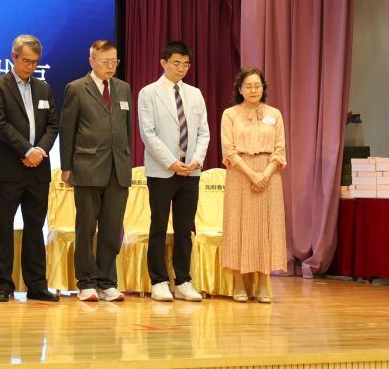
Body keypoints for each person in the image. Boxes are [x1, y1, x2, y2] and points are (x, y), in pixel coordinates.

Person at [0, 35, 60, 303]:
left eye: (35, 62)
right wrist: (27, 150)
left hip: (38, 169)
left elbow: (53, 125)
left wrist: (39, 151)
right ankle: (1, 285)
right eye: (26, 61)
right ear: (14, 57)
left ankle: (37, 285)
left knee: (35, 227)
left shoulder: (44, 88)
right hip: (10, 167)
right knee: (3, 227)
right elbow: (0, 124)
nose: (31, 66)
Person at [60, 40, 133, 302]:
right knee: (86, 228)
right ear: (92, 61)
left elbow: (127, 129)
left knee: (112, 229)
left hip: (118, 168)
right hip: (87, 167)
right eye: (105, 62)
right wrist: (66, 167)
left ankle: (107, 282)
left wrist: (126, 160)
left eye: (115, 61)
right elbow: (67, 130)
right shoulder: (77, 88)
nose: (111, 66)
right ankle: (86, 283)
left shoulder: (123, 88)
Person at [137, 41, 210, 303]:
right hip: (162, 171)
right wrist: (171, 162)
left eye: (186, 64)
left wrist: (196, 160)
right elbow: (148, 133)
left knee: (184, 228)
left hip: (191, 171)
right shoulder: (148, 93)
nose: (181, 68)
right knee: (158, 225)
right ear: (163, 63)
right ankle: (158, 281)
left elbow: (204, 132)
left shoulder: (195, 94)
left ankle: (183, 280)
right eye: (176, 63)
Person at [220, 67, 287, 303]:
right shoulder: (230, 114)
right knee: (238, 227)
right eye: (248, 86)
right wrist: (252, 175)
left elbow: (279, 150)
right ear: (240, 89)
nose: (253, 90)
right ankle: (239, 282)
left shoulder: (274, 114)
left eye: (257, 85)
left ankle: (263, 282)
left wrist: (265, 174)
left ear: (263, 88)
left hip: (270, 175)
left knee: (266, 228)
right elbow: (228, 151)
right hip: (240, 174)